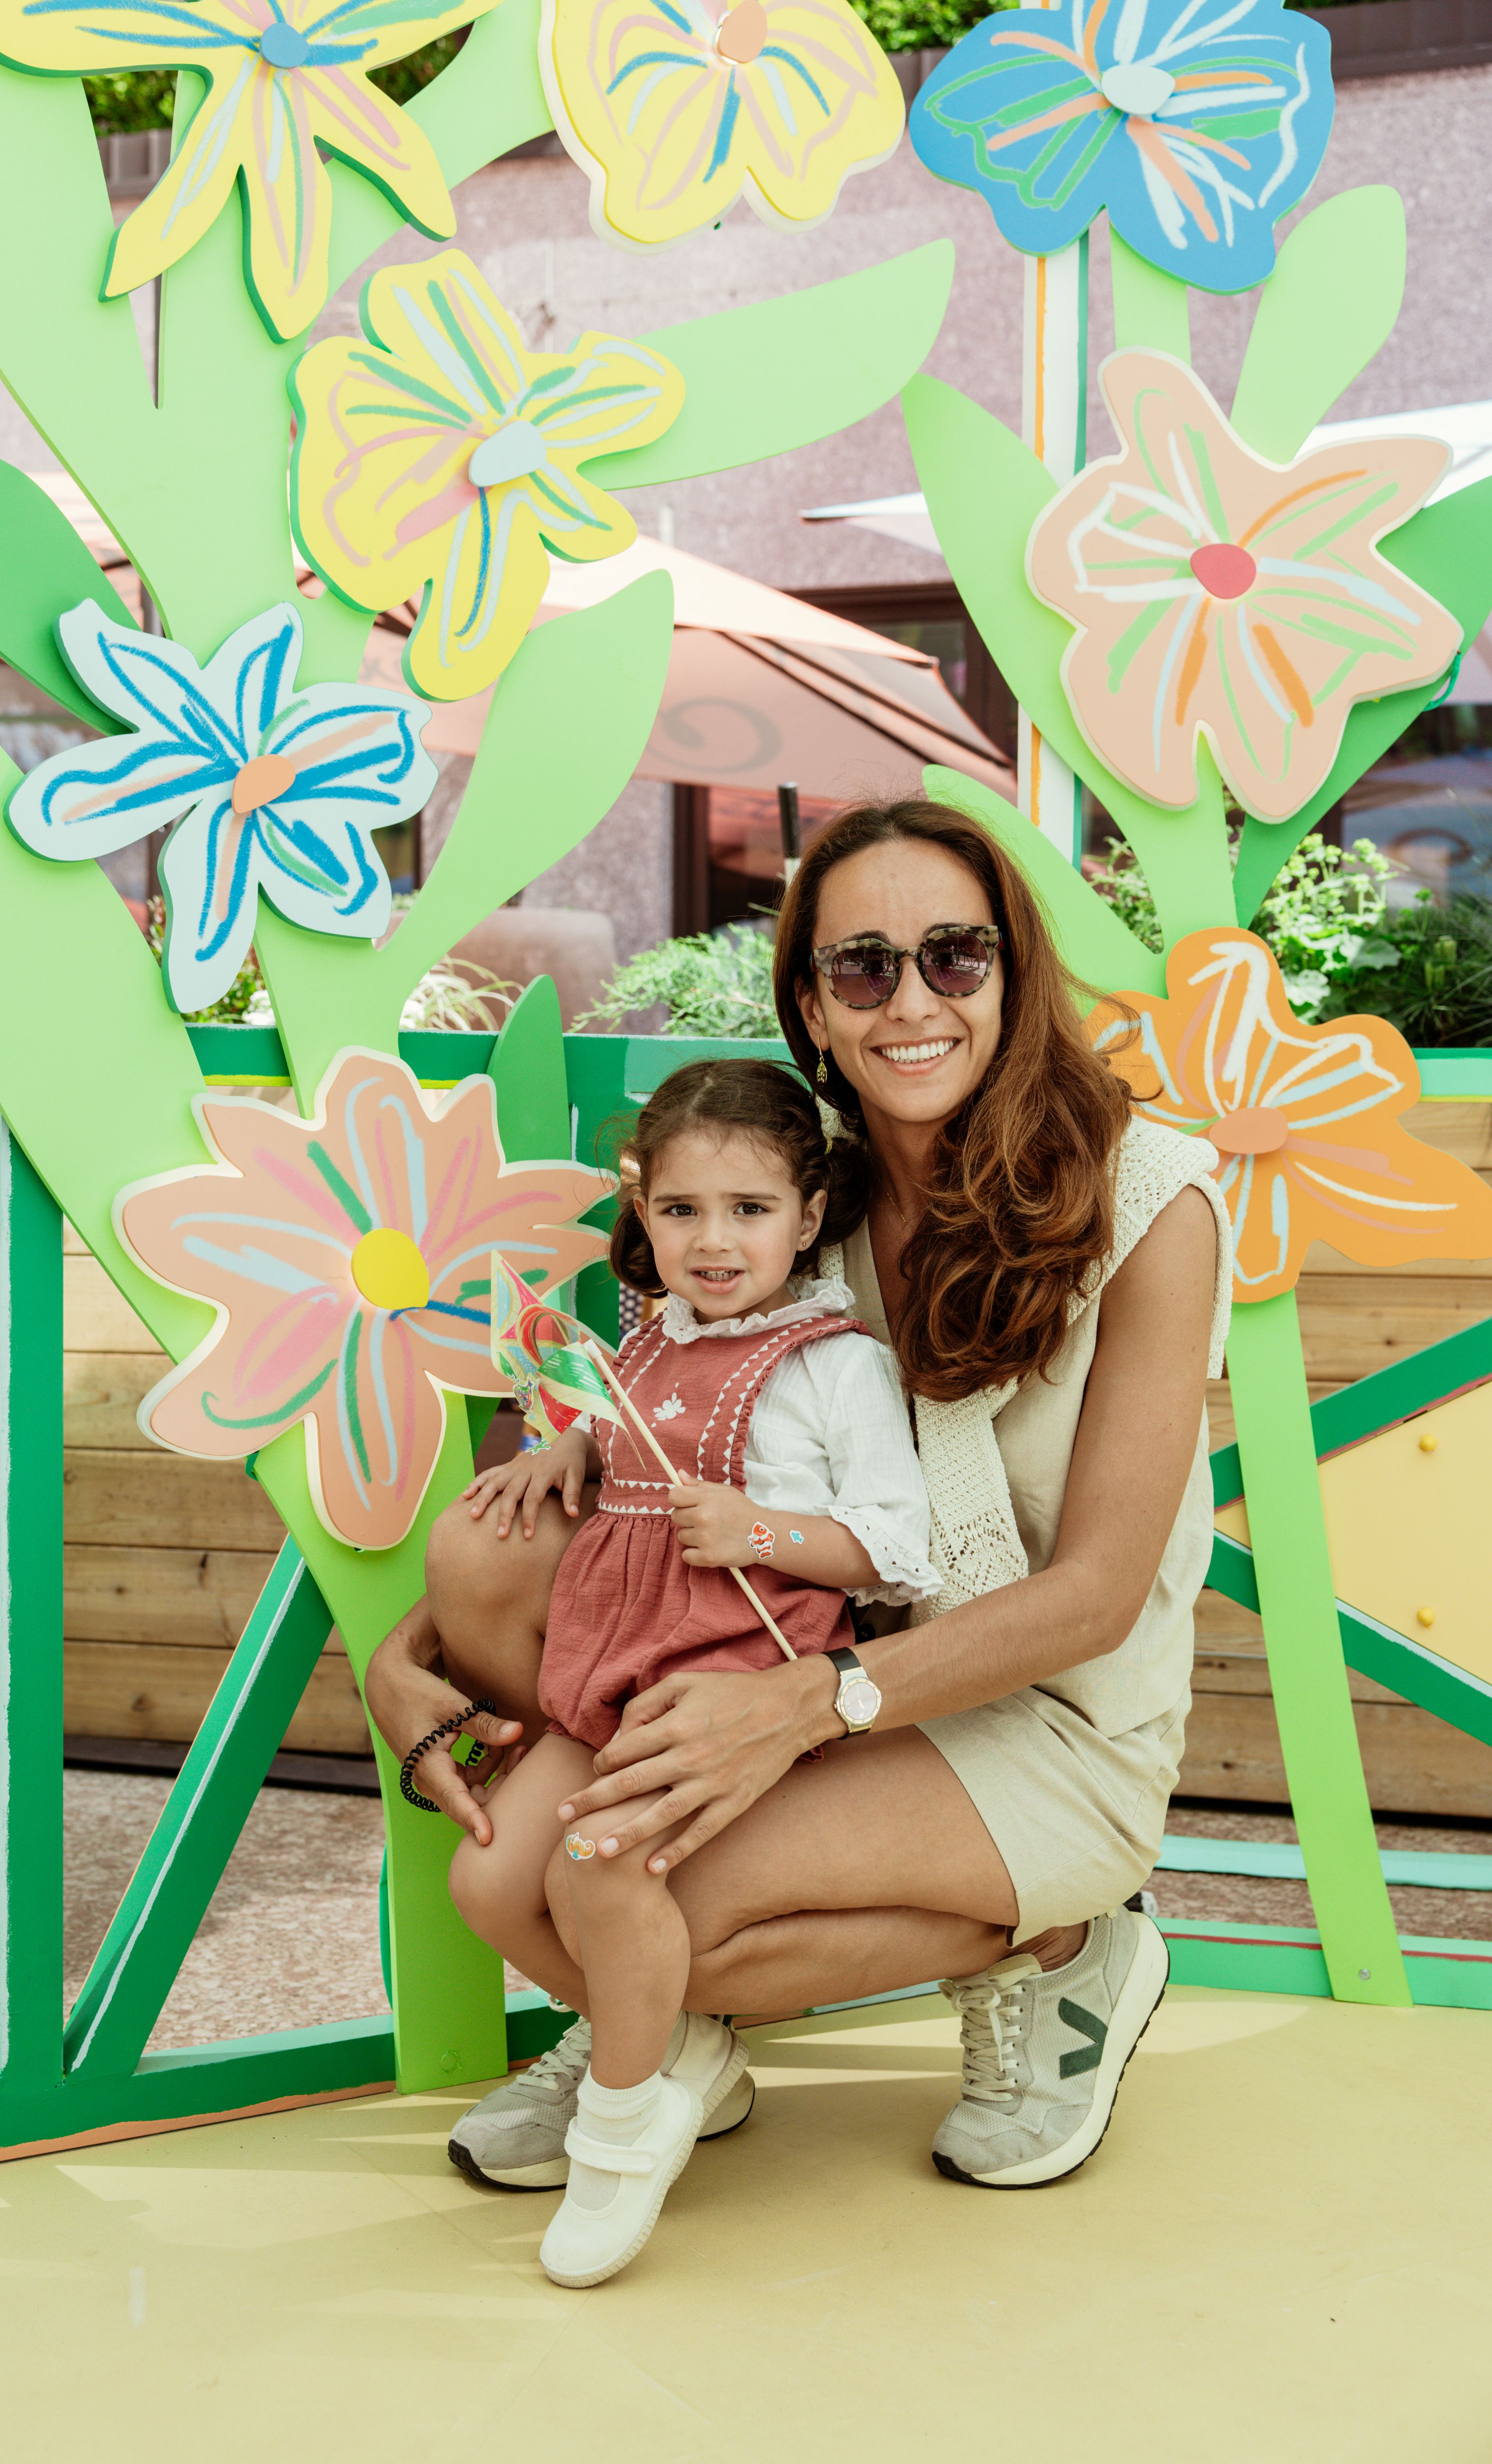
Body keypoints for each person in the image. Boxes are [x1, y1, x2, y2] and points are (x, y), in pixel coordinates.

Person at [365, 792, 1230, 2208]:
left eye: (954, 957)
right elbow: (654, 1465)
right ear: (812, 1009)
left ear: (1011, 979)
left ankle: (1069, 1948)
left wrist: (806, 1706)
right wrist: (403, 1666)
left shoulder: (1151, 1197)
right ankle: (666, 2048)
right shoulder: (778, 1206)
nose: (911, 1001)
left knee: (655, 1921)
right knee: (531, 1878)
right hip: (806, 1650)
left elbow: (1094, 1598)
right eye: (861, 967)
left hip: (1046, 1719)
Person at [448, 1058, 936, 2285]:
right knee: (494, 1878)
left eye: (749, 1211)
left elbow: (901, 1546)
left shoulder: (834, 1365)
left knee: (598, 1865)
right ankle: (669, 2046)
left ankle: (625, 2123)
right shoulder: (641, 1339)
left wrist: (761, 1532)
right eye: (680, 1212)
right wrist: (561, 1452)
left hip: (731, 1676)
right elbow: (608, 1430)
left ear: (810, 1215)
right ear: (641, 1210)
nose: (712, 1243)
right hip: (605, 1668)